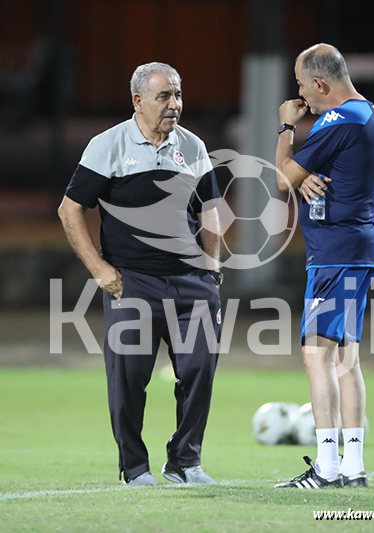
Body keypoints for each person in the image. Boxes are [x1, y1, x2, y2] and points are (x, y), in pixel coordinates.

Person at [58, 62, 223, 486]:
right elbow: (70, 208)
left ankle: (184, 462)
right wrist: (99, 269)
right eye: (164, 96)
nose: (174, 105)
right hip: (132, 283)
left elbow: (211, 210)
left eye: (178, 95)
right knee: (129, 380)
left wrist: (212, 267)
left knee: (200, 371)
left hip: (191, 283)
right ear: (138, 101)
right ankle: (134, 467)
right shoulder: (108, 145)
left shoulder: (193, 146)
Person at [274, 44, 374, 489]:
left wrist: (287, 124)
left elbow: (281, 176)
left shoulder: (339, 119)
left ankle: (326, 467)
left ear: (321, 83)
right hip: (358, 248)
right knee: (346, 360)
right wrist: (304, 178)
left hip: (336, 255)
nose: (302, 95)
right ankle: (353, 466)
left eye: (303, 87)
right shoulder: (373, 116)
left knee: (315, 355)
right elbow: (307, 177)